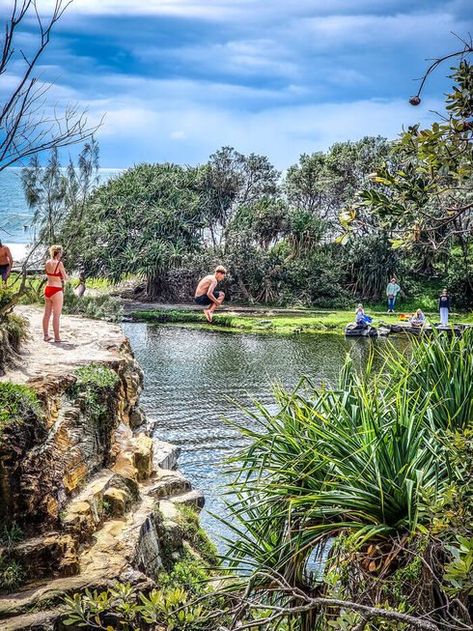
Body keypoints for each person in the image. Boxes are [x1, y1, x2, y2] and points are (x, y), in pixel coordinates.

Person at [43, 245, 68, 342]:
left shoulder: (47, 262)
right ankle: (57, 337)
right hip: (56, 290)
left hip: (48, 288)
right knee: (56, 315)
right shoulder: (59, 263)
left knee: (46, 314)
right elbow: (65, 277)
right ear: (59, 253)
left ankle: (45, 335)